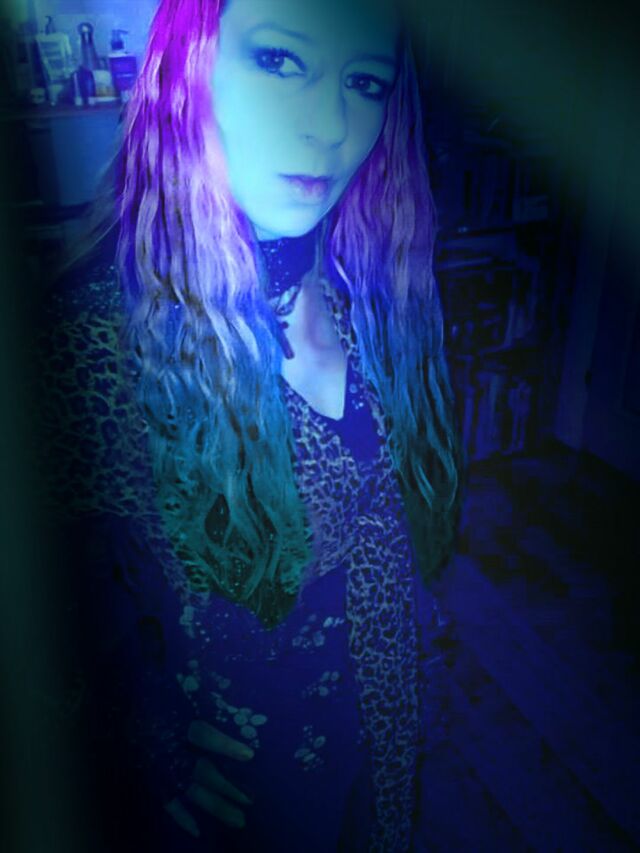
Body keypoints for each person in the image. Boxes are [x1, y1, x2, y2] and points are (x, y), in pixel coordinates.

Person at [33, 0, 466, 849]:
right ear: (189, 72)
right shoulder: (93, 340)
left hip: (383, 756)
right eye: (279, 60)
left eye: (365, 81)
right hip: (246, 798)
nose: (331, 126)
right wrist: (134, 730)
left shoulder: (375, 284)